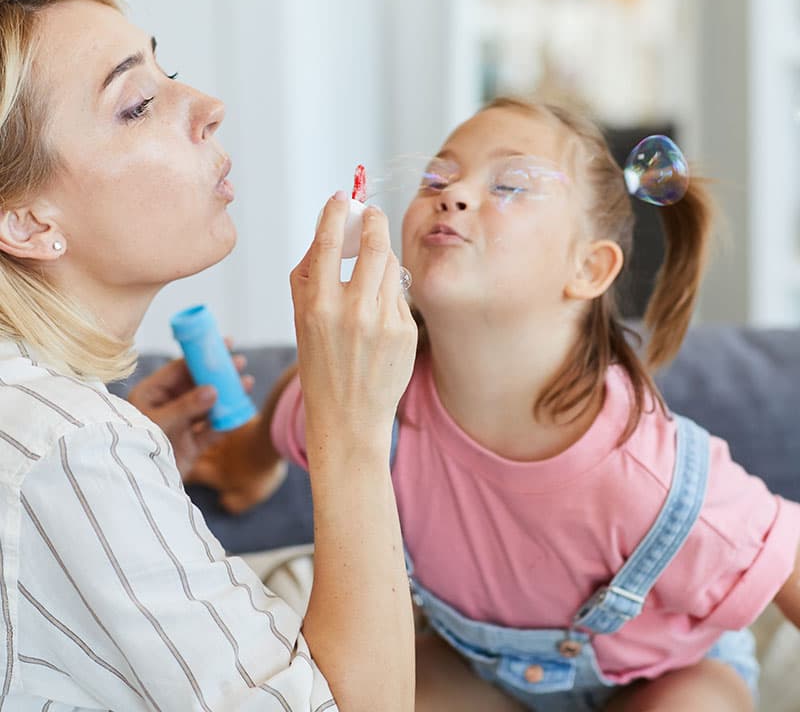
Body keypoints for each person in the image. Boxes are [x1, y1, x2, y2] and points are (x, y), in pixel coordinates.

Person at [180, 98, 800, 711]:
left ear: (588, 269)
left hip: (663, 673)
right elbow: (295, 405)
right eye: (437, 178)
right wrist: (248, 464)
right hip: (474, 666)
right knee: (352, 694)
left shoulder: (648, 474)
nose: (451, 195)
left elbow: (789, 558)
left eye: (509, 184)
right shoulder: (371, 404)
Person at [0, 0, 418, 711]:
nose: (210, 108)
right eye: (136, 105)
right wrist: (351, 428)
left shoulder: (63, 433)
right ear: (29, 223)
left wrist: (141, 475)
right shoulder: (72, 447)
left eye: (170, 73)